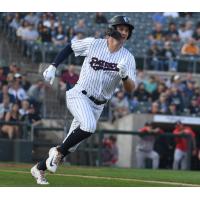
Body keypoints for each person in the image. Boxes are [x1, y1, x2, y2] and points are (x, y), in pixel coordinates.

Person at [31, 15, 136, 184]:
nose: (124, 32)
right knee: (89, 126)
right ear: (112, 29)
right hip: (79, 94)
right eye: (121, 28)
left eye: (126, 30)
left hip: (98, 105)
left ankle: (39, 168)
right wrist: (53, 66)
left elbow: (131, 88)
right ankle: (56, 151)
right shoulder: (94, 44)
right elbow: (70, 47)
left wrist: (124, 76)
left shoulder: (128, 58)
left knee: (70, 146)